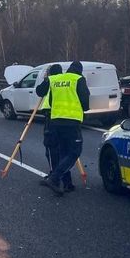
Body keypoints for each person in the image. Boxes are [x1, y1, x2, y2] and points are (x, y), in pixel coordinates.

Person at [36, 61, 90, 195]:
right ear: (79, 71)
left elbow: (44, 94)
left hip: (55, 121)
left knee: (62, 152)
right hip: (72, 122)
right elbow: (85, 103)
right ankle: (55, 178)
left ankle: (65, 183)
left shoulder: (56, 79)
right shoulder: (78, 79)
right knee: (74, 152)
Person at [38, 63, 63, 180]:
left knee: (50, 146)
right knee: (63, 148)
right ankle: (65, 178)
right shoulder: (66, 82)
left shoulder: (51, 80)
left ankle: (54, 175)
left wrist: (46, 78)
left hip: (51, 116)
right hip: (66, 117)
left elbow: (39, 91)